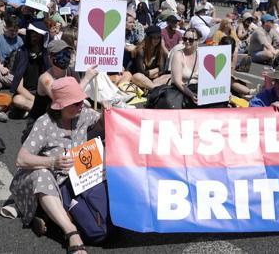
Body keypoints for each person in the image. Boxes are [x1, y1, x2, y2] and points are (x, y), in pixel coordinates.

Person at [10, 77, 105, 254]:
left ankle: (50, 217)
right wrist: (52, 162)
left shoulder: (83, 113)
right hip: (41, 178)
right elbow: (21, 159)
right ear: (61, 105)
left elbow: (101, 124)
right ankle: (71, 233)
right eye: (75, 103)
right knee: (43, 175)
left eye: (81, 101)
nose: (81, 105)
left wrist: (106, 115)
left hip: (73, 179)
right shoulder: (44, 123)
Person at [127, 26, 168, 91]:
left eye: (158, 38)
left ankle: (152, 88)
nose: (156, 40)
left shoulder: (160, 50)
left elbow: (162, 70)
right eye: (154, 37)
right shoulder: (141, 51)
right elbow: (141, 72)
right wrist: (156, 70)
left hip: (153, 80)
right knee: (137, 76)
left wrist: (152, 72)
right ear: (148, 38)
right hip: (141, 79)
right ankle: (156, 89)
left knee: (170, 76)